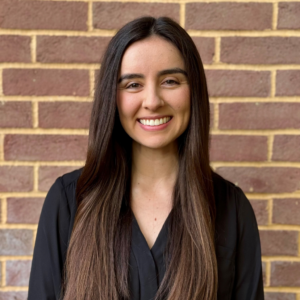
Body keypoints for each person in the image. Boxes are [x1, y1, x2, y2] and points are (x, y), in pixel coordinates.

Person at [28, 16, 264, 300]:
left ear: (194, 92)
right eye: (133, 85)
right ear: (112, 98)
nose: (152, 101)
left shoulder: (232, 209)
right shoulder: (68, 202)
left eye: (170, 81)